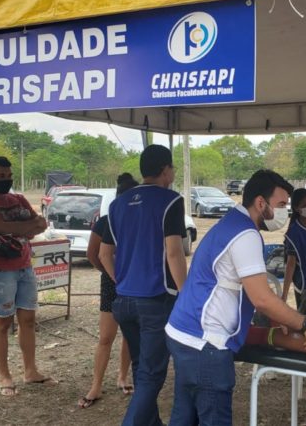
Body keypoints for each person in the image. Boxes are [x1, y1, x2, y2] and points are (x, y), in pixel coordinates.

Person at [165, 169, 306, 425]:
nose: (285, 212)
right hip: (205, 344)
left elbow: (247, 291)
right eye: (281, 205)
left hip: (182, 333)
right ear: (261, 203)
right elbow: (262, 298)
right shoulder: (246, 235)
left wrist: (279, 315)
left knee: (184, 415)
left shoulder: (231, 223)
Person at [99, 145, 188, 426]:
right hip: (155, 299)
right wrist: (186, 294)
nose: (173, 172)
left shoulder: (117, 204)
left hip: (123, 299)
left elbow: (104, 254)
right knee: (153, 374)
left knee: (141, 368)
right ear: (165, 170)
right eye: (172, 168)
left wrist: (120, 281)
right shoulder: (171, 201)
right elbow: (174, 252)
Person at [0, 156, 52, 397]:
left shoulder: (18, 199)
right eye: (1, 176)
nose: (6, 180)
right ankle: (4, 376)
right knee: (2, 322)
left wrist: (19, 227)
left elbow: (41, 224)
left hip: (24, 265)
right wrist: (21, 227)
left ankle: (30, 371)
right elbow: (10, 228)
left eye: (8, 175)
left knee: (28, 320)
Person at [78, 173, 138, 409]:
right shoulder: (106, 221)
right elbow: (93, 254)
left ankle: (122, 376)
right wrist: (109, 273)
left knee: (130, 335)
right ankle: (96, 385)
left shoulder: (140, 222)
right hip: (113, 283)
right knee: (106, 337)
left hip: (135, 283)